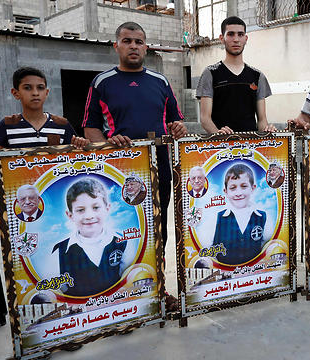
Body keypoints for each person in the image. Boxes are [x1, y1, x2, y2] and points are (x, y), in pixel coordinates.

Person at [82, 22, 186, 311]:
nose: (134, 46)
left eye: (139, 41)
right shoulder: (102, 83)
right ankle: (118, 294)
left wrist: (178, 127)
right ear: (116, 46)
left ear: (146, 46)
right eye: (127, 40)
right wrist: (107, 148)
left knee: (158, 232)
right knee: (122, 231)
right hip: (118, 177)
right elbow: (90, 128)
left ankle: (159, 290)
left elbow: (175, 121)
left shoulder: (160, 82)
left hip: (159, 170)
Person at [0, 67, 89, 164]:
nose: (35, 93)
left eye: (40, 88)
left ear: (46, 93)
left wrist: (81, 144)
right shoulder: (8, 124)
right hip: (20, 189)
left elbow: (76, 154)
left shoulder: (61, 124)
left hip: (53, 188)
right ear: (16, 93)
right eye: (27, 88)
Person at [52, 177, 134, 297]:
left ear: (107, 209)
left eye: (95, 208)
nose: (89, 216)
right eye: (80, 210)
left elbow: (127, 277)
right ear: (70, 215)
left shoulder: (123, 242)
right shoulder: (60, 251)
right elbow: (60, 290)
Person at [196, 16, 277, 134]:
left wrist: (267, 130)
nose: (236, 39)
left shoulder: (258, 76)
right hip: (220, 149)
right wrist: (219, 136)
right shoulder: (211, 73)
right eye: (230, 34)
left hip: (250, 148)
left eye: (240, 34)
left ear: (246, 38)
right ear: (221, 38)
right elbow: (205, 119)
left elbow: (262, 120)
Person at [213, 163, 271, 264]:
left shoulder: (263, 217)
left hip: (254, 275)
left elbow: (266, 245)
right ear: (225, 191)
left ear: (253, 188)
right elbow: (209, 250)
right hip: (225, 275)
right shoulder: (216, 218)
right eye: (233, 188)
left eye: (244, 186)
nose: (238, 193)